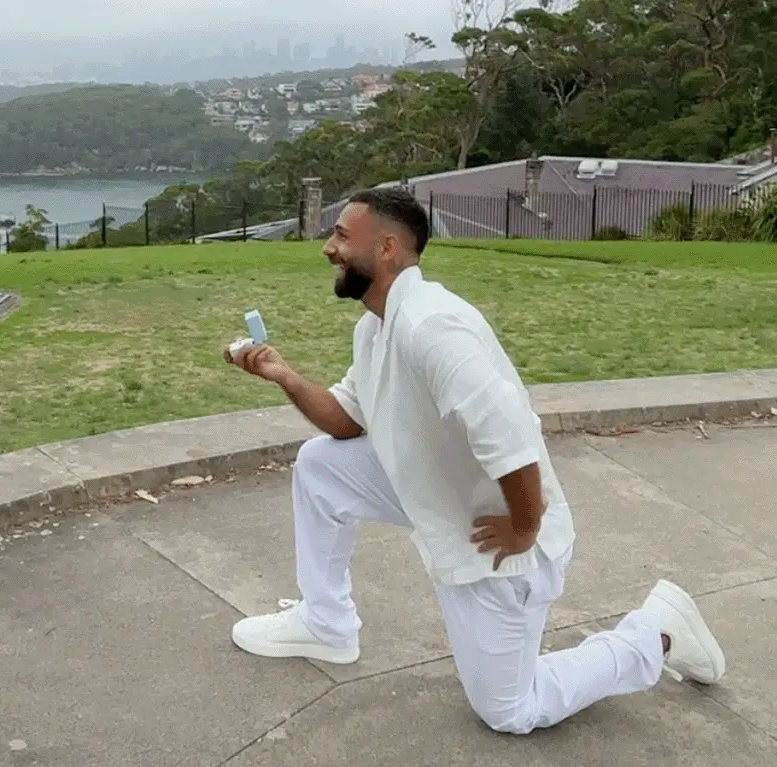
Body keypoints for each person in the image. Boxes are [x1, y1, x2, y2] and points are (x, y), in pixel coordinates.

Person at [222, 187, 726, 734]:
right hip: (441, 496)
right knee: (323, 465)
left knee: (510, 709)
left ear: (387, 248)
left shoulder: (432, 327)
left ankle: (656, 633)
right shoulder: (377, 326)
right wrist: (286, 378)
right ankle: (325, 623)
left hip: (498, 541)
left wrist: (524, 527)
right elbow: (347, 421)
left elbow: (511, 439)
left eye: (342, 235)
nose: (328, 248)